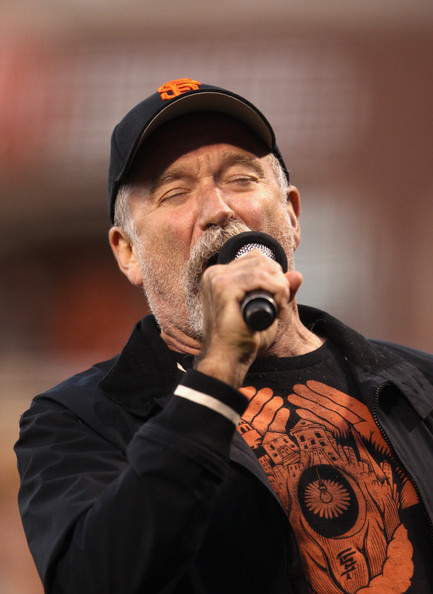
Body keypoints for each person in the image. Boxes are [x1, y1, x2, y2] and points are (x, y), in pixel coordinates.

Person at [15, 78, 433, 594]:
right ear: (127, 252)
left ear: (293, 216)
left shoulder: (419, 386)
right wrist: (219, 367)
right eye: (175, 192)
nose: (219, 210)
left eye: (241, 178)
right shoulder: (78, 419)